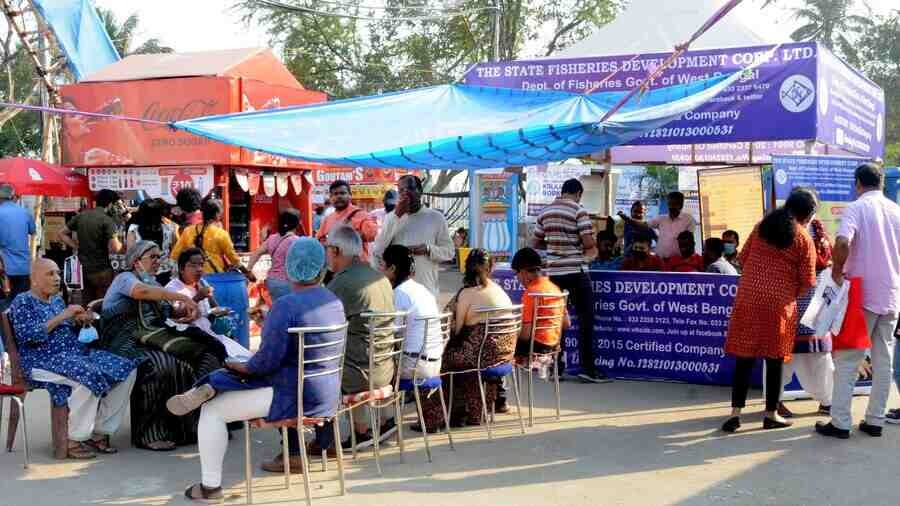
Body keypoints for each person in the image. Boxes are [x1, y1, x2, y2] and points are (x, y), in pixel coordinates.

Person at [167, 238, 346, 501]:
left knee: (213, 409)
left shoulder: (285, 305)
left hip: (291, 395)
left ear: (288, 268)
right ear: (321, 268)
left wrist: (244, 366)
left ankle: (210, 487)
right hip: (327, 394)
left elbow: (264, 364)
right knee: (236, 371)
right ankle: (212, 385)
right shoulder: (334, 301)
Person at [266, 226, 395, 473]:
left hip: (358, 371)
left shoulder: (343, 283)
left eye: (327, 250)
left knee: (297, 364)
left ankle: (295, 451)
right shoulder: (378, 277)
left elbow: (312, 324)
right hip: (384, 367)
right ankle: (326, 440)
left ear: (335, 250)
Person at [98, 240, 224, 451]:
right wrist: (178, 296)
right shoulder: (125, 278)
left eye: (159, 257)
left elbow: (168, 312)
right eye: (152, 257)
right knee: (161, 365)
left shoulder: (154, 283)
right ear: (137, 261)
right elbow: (142, 293)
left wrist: (185, 310)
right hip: (124, 340)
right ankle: (148, 434)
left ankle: (189, 425)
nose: (158, 261)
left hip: (152, 336)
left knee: (206, 352)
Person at [9, 258, 136, 459]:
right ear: (34, 279)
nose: (57, 278)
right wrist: (62, 316)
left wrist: (79, 319)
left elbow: (66, 327)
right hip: (40, 360)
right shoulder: (23, 301)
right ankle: (74, 439)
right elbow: (28, 336)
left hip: (73, 355)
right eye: (50, 274)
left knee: (126, 368)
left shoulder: (57, 300)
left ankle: (100, 431)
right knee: (86, 374)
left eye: (58, 273)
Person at [720, 187, 818, 433]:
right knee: (774, 360)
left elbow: (742, 258)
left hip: (748, 298)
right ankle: (771, 414)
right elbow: (808, 279)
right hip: (778, 304)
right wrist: (787, 292)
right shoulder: (803, 238)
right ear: (807, 214)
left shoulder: (761, 226)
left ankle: (735, 414)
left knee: (744, 357)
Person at [818, 163, 900, 439]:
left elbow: (842, 243)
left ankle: (841, 422)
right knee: (883, 359)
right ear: (881, 184)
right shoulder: (896, 210)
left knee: (847, 359)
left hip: (861, 293)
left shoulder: (857, 207)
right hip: (891, 293)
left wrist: (837, 273)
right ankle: (875, 419)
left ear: (858, 184)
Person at [418, 249, 515, 432]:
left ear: (466, 268)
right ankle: (464, 410)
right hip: (505, 354)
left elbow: (457, 329)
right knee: (458, 355)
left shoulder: (467, 293)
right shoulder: (499, 290)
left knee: (438, 361)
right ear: (490, 268)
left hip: (479, 357)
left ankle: (436, 417)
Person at [529, 178, 606, 383]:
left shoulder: (545, 212)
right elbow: (589, 243)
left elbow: (535, 243)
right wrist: (586, 251)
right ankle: (588, 369)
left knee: (556, 321)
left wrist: (555, 250)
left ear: (562, 191)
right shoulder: (579, 211)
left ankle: (557, 369)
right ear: (578, 193)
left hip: (554, 275)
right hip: (576, 271)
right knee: (585, 319)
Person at [778, 218, 834, 418]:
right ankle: (775, 402)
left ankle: (828, 401)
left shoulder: (818, 231)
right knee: (785, 358)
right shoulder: (787, 230)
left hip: (812, 303)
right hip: (797, 304)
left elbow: (827, 264)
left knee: (819, 358)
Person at [371, 174, 454, 298]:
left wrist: (428, 249)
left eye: (410, 188)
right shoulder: (391, 218)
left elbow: (449, 252)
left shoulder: (435, 217)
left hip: (427, 290)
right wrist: (396, 216)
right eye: (401, 191)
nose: (406, 193)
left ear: (420, 191)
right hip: (398, 292)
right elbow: (378, 251)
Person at [380, 244, 441, 380]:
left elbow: (389, 333)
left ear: (392, 268)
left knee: (371, 366)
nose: (380, 270)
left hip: (414, 366)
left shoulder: (399, 293)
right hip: (435, 363)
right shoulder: (422, 289)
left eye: (382, 265)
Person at [58, 189, 124, 303]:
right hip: (102, 269)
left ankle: (88, 321)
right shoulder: (107, 220)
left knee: (87, 302)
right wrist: (125, 245)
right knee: (102, 303)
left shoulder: (81, 216)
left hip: (83, 269)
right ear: (110, 204)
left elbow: (61, 233)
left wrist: (75, 246)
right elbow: (115, 248)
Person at [170, 198, 255, 280]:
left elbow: (175, 255)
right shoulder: (221, 234)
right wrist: (247, 272)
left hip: (192, 277)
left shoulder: (188, 231)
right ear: (217, 215)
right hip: (214, 277)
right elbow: (233, 259)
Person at [511, 247, 569, 358]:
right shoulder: (555, 289)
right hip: (555, 345)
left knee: (505, 345)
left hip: (536, 346)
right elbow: (566, 324)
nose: (517, 279)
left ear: (522, 273)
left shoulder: (531, 293)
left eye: (516, 275)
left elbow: (526, 335)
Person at [315, 180, 378, 262]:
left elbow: (372, 235)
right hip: (335, 268)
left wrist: (351, 236)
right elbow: (319, 239)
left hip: (356, 267)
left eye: (342, 193)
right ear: (330, 198)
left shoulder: (361, 215)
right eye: (335, 194)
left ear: (350, 195)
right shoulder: (328, 219)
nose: (339, 196)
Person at [247, 209, 301, 301]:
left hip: (272, 282)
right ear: (296, 224)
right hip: (289, 282)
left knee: (278, 308)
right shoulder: (297, 241)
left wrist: (248, 270)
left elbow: (257, 253)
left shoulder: (272, 238)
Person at [126, 198, 179, 286]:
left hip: (142, 274)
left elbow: (131, 256)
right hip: (166, 273)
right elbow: (175, 252)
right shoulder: (169, 228)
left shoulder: (133, 230)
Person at [0, 184, 36, 305]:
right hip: (23, 264)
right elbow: (33, 231)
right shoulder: (24, 212)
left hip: (5, 264)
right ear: (13, 197)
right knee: (22, 296)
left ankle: (6, 317)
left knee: (11, 297)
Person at [646, 192, 697, 260]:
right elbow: (645, 225)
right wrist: (629, 220)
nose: (671, 207)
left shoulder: (688, 219)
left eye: (674, 204)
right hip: (660, 260)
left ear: (681, 205)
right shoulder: (661, 218)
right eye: (669, 204)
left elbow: (688, 241)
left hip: (678, 262)